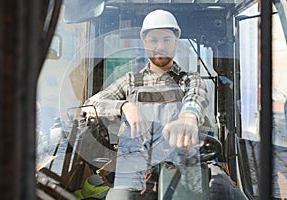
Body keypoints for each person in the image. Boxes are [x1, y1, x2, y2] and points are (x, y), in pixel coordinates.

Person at [83, 9, 246, 200]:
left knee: (224, 189)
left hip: (188, 164)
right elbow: (90, 106)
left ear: (176, 42)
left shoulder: (189, 79)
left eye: (166, 40)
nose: (160, 46)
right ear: (144, 42)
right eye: (153, 40)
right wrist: (125, 106)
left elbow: (196, 98)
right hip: (137, 169)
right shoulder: (129, 82)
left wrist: (187, 118)